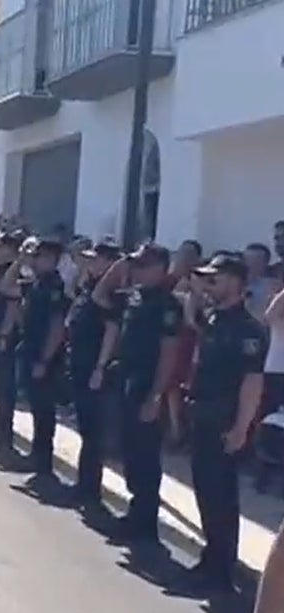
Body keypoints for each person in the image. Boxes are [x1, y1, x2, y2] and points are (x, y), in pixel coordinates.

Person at [187, 253, 265, 592]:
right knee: (205, 490)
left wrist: (240, 428)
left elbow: (252, 383)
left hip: (223, 418)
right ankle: (210, 557)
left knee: (221, 495)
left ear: (235, 280)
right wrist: (196, 288)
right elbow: (193, 317)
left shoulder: (248, 329)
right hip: (202, 413)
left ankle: (221, 569)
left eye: (214, 278)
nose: (208, 283)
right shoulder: (215, 318)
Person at [105, 244, 182, 543]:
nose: (137, 270)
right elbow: (103, 292)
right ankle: (135, 514)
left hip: (148, 387)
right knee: (130, 452)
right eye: (136, 264)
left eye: (144, 265)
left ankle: (144, 524)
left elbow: (169, 353)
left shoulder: (167, 304)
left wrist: (155, 396)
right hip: (128, 382)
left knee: (146, 456)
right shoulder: (135, 297)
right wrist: (123, 264)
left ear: (161, 268)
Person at [2, 238, 67, 479]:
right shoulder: (36, 283)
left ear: (51, 259)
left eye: (40, 257)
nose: (36, 260)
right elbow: (6, 286)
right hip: (30, 350)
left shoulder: (54, 286)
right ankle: (37, 458)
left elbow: (57, 327)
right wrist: (20, 261)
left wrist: (44, 360)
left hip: (44, 356)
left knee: (44, 411)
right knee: (37, 409)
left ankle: (43, 463)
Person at [68, 238, 120, 507]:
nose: (90, 263)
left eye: (96, 259)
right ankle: (83, 484)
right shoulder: (89, 286)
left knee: (94, 433)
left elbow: (111, 331)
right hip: (79, 363)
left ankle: (90, 490)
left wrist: (100, 366)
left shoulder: (111, 295)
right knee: (86, 430)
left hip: (94, 367)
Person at [0, 232, 23, 453]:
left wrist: (3, 335)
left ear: (10, 250)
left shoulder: (13, 273)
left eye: (0, 247)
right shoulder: (0, 272)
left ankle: (4, 435)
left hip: (4, 335)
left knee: (5, 387)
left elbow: (13, 307)